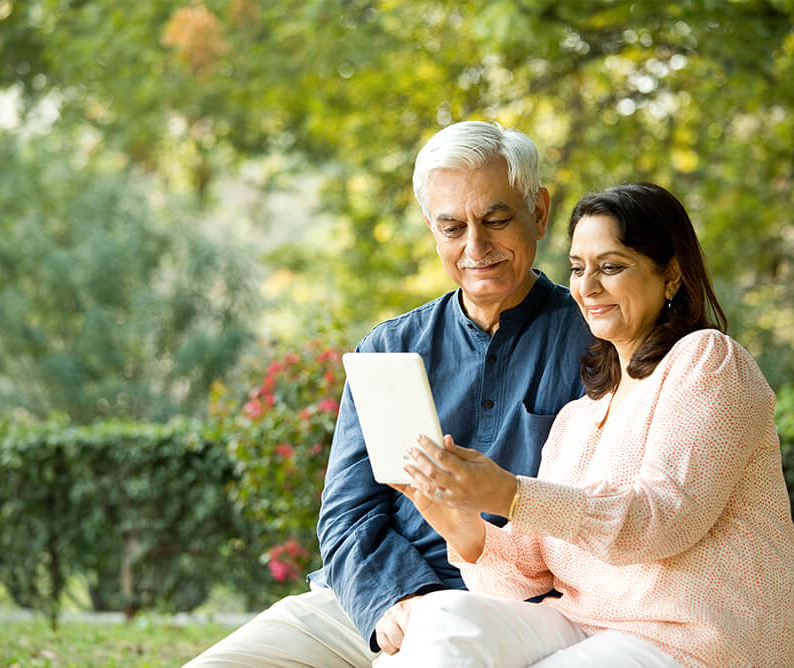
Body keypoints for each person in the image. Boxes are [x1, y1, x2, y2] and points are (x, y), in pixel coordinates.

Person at [185, 121, 592, 667]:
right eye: (452, 228)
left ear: (538, 212)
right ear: (431, 227)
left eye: (496, 220)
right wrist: (397, 601)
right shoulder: (390, 348)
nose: (476, 247)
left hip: (512, 613)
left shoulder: (598, 342)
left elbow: (611, 515)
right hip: (375, 602)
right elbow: (347, 513)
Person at [387, 182, 794, 668]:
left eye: (610, 267)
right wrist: (459, 524)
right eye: (577, 267)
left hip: (693, 637)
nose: (586, 287)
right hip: (584, 623)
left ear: (671, 274)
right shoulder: (579, 415)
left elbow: (662, 519)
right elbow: (526, 577)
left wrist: (508, 493)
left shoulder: (708, 362)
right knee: (442, 619)